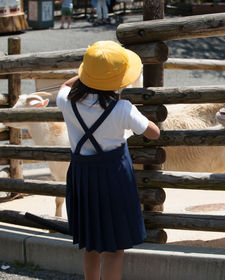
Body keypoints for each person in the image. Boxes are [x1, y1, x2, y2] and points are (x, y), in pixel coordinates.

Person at [56, 40, 160, 280]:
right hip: (114, 178)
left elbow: (64, 85)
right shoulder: (123, 108)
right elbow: (153, 132)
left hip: (82, 177)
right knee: (114, 247)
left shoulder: (67, 101)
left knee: (90, 242)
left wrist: (87, 76)